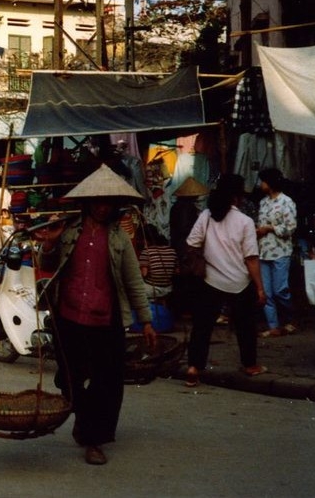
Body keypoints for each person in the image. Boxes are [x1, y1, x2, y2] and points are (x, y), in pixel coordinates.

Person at [32, 164, 155, 466]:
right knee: (68, 380)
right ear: (87, 202)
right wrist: (49, 241)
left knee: (106, 384)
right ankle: (86, 421)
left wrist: (147, 320)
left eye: (108, 202)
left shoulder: (119, 239)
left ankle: (94, 439)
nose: (102, 207)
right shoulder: (69, 230)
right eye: (97, 201)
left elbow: (133, 282)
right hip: (69, 317)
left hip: (105, 321)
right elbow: (46, 262)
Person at [184, 173, 267, 389]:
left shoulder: (206, 216)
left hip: (211, 280)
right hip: (240, 281)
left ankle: (193, 367)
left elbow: (192, 243)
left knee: (202, 326)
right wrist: (259, 287)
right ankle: (250, 365)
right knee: (245, 326)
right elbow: (251, 258)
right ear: (238, 197)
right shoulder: (246, 222)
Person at [256, 168, 298, 337]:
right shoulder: (263, 202)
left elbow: (291, 228)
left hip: (281, 251)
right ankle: (273, 325)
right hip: (263, 251)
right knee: (265, 291)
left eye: (263, 182)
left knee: (280, 289)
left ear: (270, 183)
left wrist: (270, 228)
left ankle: (290, 319)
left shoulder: (287, 202)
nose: (261, 185)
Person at [170, 177, 209, 320]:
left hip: (179, 246)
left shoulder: (176, 207)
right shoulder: (187, 208)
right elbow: (185, 229)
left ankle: (182, 310)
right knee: (188, 280)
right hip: (185, 248)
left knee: (182, 280)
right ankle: (186, 310)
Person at [139, 228, 178, 302]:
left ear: (145, 239)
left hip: (152, 289)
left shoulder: (146, 252)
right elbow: (176, 271)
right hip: (169, 289)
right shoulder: (172, 250)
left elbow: (144, 274)